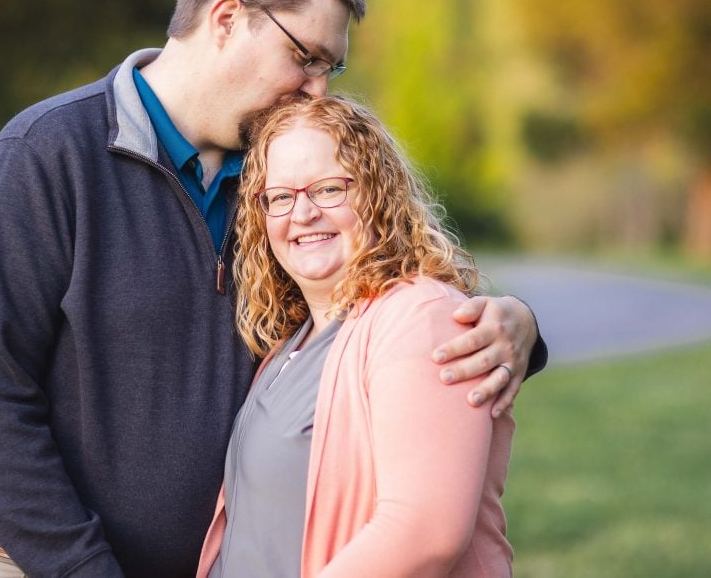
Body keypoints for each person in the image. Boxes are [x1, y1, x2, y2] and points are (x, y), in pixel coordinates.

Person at [0, 0, 546, 578]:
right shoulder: (50, 153)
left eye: (330, 68)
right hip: (30, 567)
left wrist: (518, 325)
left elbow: (385, 290)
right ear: (227, 18)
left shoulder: (277, 178)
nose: (319, 88)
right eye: (306, 56)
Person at [197, 95, 515, 577]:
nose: (302, 214)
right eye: (281, 196)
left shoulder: (420, 317)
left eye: (327, 189)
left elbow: (424, 533)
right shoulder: (292, 343)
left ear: (376, 194)